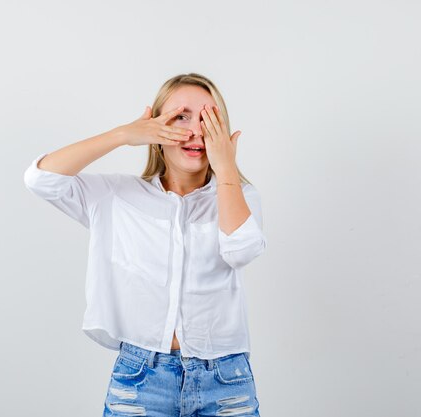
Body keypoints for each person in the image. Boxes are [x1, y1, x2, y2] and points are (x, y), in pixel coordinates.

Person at [23, 73, 266, 416]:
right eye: (180, 117)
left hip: (225, 380)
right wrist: (123, 135)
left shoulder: (240, 197)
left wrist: (226, 167)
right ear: (156, 129)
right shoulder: (116, 196)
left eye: (208, 119)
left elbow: (241, 249)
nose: (195, 130)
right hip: (141, 379)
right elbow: (40, 179)